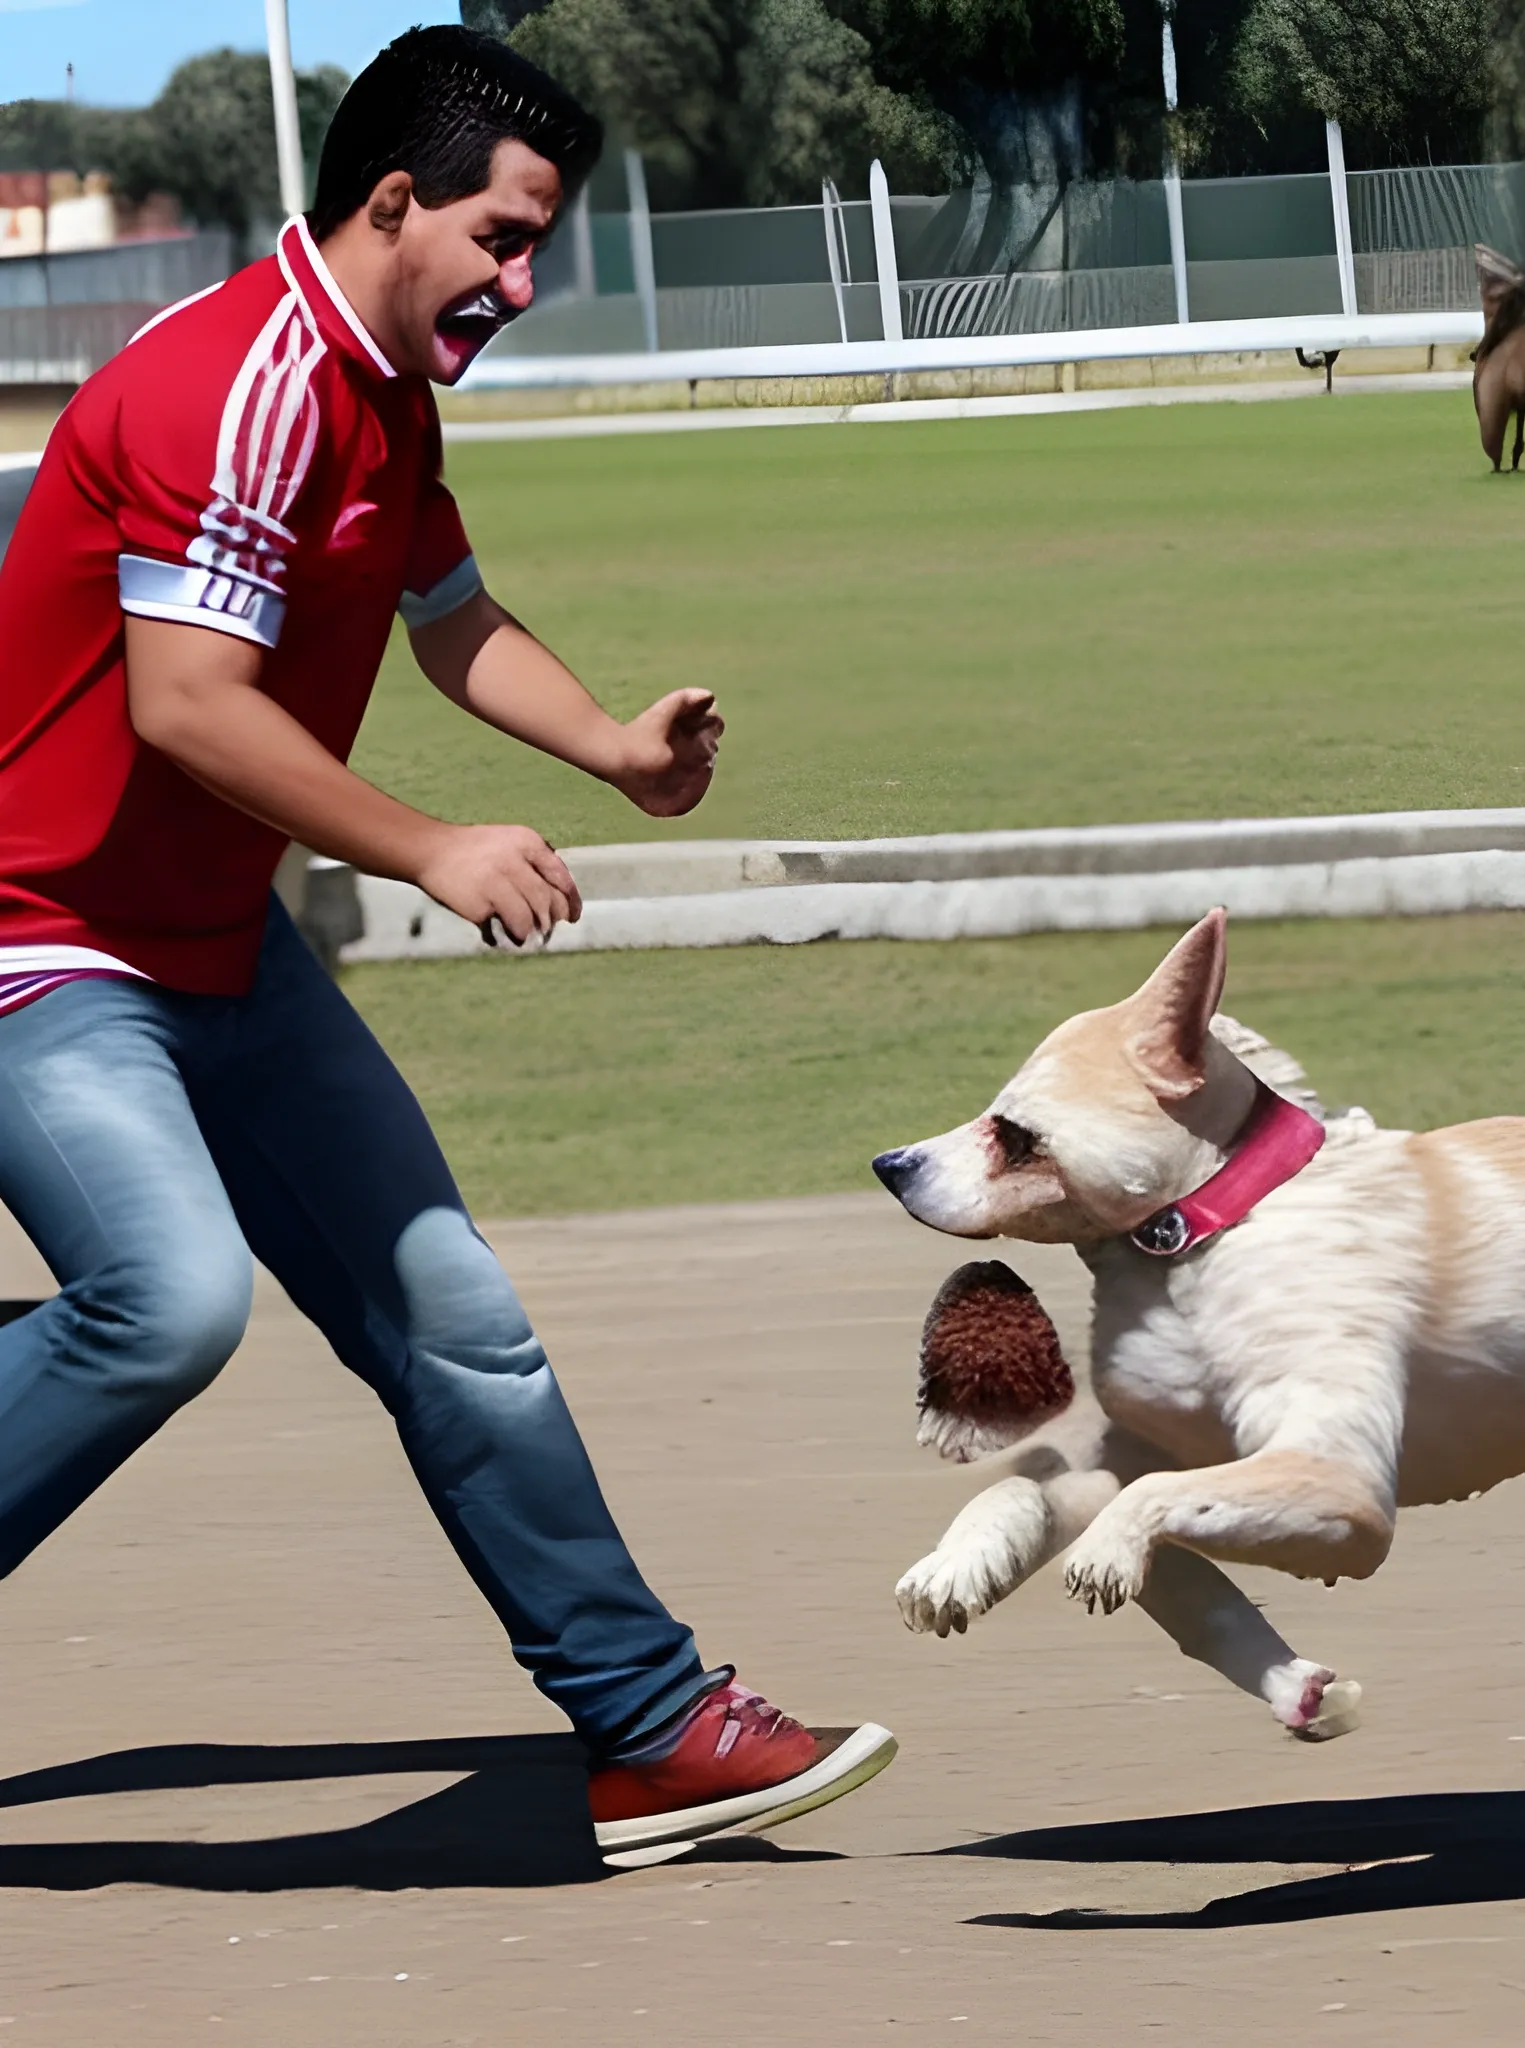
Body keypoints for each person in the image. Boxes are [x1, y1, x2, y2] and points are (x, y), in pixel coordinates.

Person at [0, 25, 893, 1865]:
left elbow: (452, 615)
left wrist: (615, 755)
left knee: (460, 1325)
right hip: (39, 945)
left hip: (214, 951)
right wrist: (432, 847)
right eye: (501, 234)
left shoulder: (388, 389)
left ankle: (652, 1730)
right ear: (393, 201)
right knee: (165, 1308)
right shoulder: (235, 386)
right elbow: (186, 707)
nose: (523, 278)